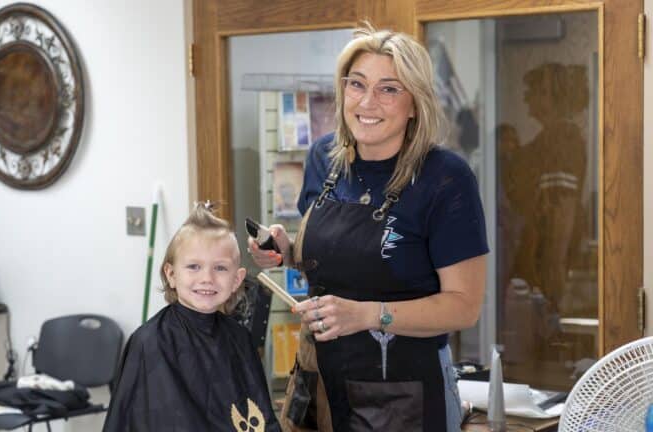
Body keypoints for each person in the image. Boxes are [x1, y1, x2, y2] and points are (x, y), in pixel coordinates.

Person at [249, 23, 488, 432]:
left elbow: (464, 306)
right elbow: (334, 260)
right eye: (356, 84)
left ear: (415, 103)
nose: (367, 102)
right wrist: (286, 250)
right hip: (318, 379)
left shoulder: (445, 178)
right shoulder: (324, 158)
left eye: (389, 89)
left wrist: (367, 316)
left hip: (404, 396)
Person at [103, 202, 280, 432]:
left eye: (220, 268)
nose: (207, 278)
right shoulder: (149, 343)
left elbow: (260, 416)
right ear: (171, 274)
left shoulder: (239, 339)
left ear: (237, 280)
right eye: (194, 266)